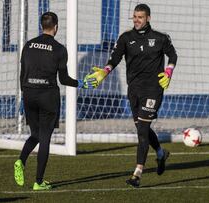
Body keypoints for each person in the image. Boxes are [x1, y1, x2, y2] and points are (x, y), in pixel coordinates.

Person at [85, 3, 177, 187]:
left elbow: (173, 55)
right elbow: (115, 58)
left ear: (148, 18)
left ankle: (137, 173)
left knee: (142, 131)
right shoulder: (126, 38)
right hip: (134, 89)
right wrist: (105, 71)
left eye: (140, 17)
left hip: (153, 89)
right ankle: (160, 153)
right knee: (142, 129)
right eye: (134, 16)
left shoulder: (160, 38)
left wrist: (168, 72)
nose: (136, 20)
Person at [13, 12, 89, 191]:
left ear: (41, 26)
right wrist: (82, 84)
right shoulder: (59, 49)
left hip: (29, 94)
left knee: (36, 134)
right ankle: (38, 182)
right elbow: (64, 79)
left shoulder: (29, 44)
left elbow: (22, 73)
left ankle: (21, 160)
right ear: (56, 27)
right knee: (45, 138)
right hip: (48, 96)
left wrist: (25, 93)